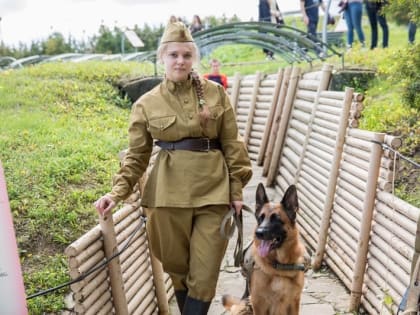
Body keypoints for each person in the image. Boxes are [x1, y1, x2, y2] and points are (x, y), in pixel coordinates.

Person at [94, 21, 253, 315]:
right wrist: (115, 194)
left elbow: (232, 143)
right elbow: (136, 157)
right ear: (162, 58)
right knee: (178, 270)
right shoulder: (146, 104)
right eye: (173, 55)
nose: (180, 60)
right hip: (167, 198)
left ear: (193, 58)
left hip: (214, 193)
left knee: (204, 275)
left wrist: (237, 189)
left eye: (186, 55)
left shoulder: (216, 93)